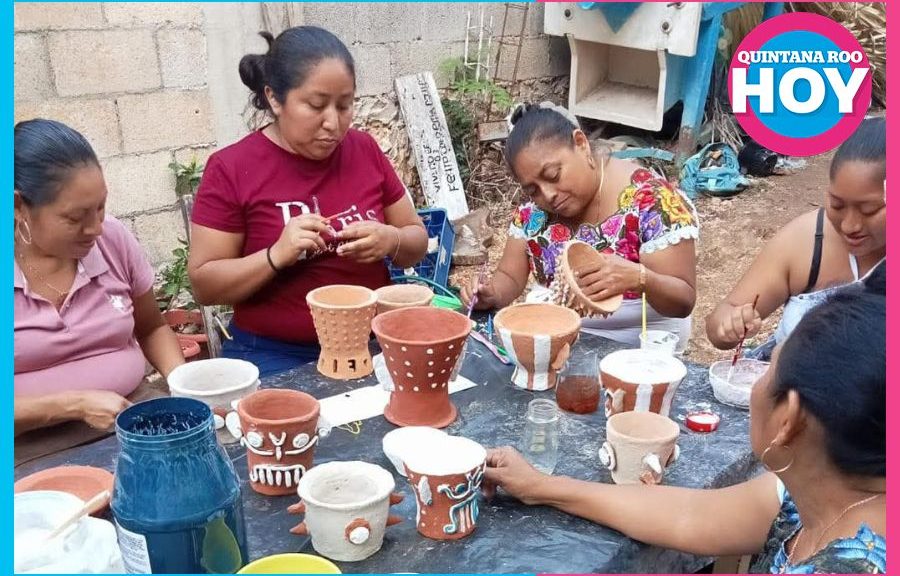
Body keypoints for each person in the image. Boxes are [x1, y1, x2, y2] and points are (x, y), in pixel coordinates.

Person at [483, 271, 886, 573]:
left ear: (789, 419)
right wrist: (541, 486)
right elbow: (689, 514)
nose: (758, 382)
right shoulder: (819, 493)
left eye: (768, 372)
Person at [189, 26, 427, 377]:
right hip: (275, 352)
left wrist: (391, 240)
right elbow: (205, 284)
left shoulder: (364, 150)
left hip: (371, 340)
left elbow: (417, 239)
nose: (333, 122)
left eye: (345, 105)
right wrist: (276, 255)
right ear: (274, 98)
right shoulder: (232, 168)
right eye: (316, 105)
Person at [461, 103, 698, 353]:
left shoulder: (652, 201)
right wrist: (491, 293)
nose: (548, 194)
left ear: (581, 143)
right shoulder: (534, 214)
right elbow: (509, 277)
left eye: (553, 175)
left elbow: (682, 301)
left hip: (638, 345)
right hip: (559, 336)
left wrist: (639, 278)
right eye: (532, 190)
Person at [14, 119, 184, 466]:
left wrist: (185, 384)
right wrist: (74, 405)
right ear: (18, 206)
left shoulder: (111, 239)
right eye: (75, 218)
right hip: (28, 448)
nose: (95, 228)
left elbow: (152, 327)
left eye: (100, 208)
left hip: (132, 413)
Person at [706, 117, 885, 359]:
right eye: (837, 205)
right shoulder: (808, 241)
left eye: (869, 210)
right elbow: (720, 323)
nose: (849, 225)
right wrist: (730, 324)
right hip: (787, 382)